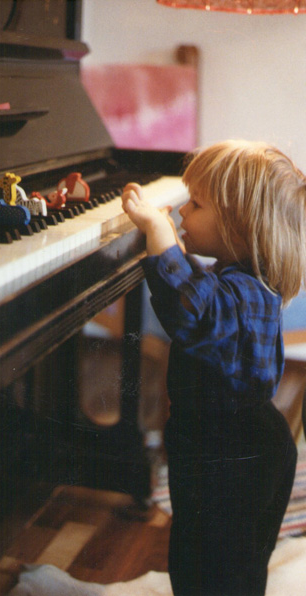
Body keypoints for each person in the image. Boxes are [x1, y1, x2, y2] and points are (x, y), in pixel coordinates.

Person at [121, 140, 306, 596]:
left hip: (231, 452)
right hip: (243, 443)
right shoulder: (242, 281)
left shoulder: (239, 293)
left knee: (208, 567)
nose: (182, 212)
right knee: (230, 567)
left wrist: (156, 231)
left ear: (239, 226)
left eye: (196, 204)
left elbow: (190, 309)